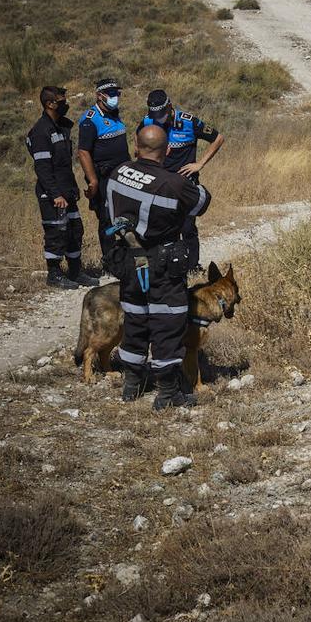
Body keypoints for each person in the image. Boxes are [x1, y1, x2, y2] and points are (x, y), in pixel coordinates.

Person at [108, 124, 212, 410]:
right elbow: (202, 202)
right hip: (162, 263)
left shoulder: (118, 172)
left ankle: (132, 384)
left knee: (135, 319)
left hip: (128, 259)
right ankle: (167, 392)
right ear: (167, 150)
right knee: (167, 322)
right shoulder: (173, 183)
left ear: (136, 146)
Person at [137, 89, 225, 272]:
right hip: (159, 184)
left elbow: (218, 138)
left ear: (170, 106)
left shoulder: (189, 122)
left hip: (185, 185)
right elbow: (139, 141)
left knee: (187, 227)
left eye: (161, 115)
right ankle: (167, 264)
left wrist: (199, 164)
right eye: (155, 115)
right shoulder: (148, 121)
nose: (158, 119)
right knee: (163, 226)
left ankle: (192, 266)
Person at [25, 86, 99, 289]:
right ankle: (54, 274)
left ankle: (75, 271)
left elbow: (64, 164)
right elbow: (43, 168)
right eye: (61, 101)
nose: (65, 104)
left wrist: (73, 190)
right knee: (56, 232)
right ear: (50, 104)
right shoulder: (41, 132)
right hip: (53, 194)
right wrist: (55, 194)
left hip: (68, 190)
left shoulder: (62, 127)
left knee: (75, 230)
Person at [77, 78, 131, 270]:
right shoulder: (90, 120)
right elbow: (83, 152)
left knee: (126, 215)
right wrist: (92, 180)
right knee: (108, 219)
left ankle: (125, 254)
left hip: (123, 175)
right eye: (112, 94)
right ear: (100, 95)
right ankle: (110, 262)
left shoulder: (114, 114)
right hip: (104, 177)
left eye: (118, 93)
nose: (117, 97)